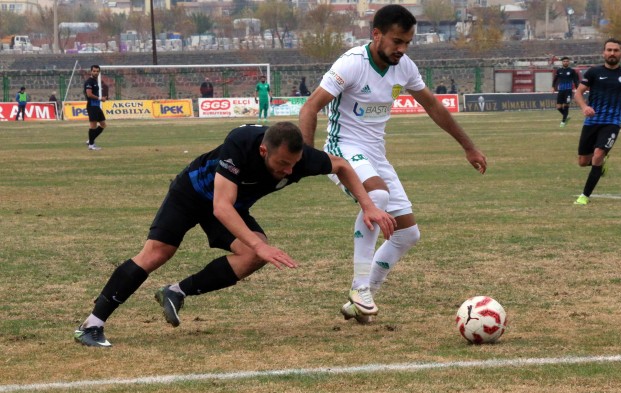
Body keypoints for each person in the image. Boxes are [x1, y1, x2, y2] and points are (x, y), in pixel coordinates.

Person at [73, 122, 396, 347]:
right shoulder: (239, 145)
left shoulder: (300, 160)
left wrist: (367, 204)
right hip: (193, 193)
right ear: (263, 150)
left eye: (293, 165)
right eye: (282, 163)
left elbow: (341, 166)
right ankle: (91, 325)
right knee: (158, 252)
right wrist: (259, 244)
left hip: (229, 204)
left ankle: (176, 292)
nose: (288, 171)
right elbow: (221, 207)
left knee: (253, 255)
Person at [298, 4, 487, 324]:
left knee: (407, 234)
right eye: (397, 41)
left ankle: (360, 301)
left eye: (407, 43)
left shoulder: (405, 67)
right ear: (376, 35)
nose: (402, 48)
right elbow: (310, 107)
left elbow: (433, 106)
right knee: (378, 197)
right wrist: (306, 157)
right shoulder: (352, 63)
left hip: (375, 156)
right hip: (342, 149)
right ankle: (359, 286)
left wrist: (468, 147)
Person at [573, 39, 621, 206]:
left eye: (616, 50)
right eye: (609, 50)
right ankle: (600, 166)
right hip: (592, 122)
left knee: (599, 154)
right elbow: (578, 93)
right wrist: (584, 107)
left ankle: (584, 196)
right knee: (583, 162)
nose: (612, 53)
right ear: (604, 52)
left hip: (613, 122)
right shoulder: (593, 72)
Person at [84, 65, 107, 151]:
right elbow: (89, 94)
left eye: (97, 71)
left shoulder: (95, 81)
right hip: (92, 106)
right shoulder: (89, 82)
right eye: (94, 71)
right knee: (93, 126)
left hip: (96, 106)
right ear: (91, 71)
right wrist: (100, 98)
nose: (96, 72)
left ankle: (90, 140)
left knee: (103, 125)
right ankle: (91, 145)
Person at [553, 56, 580, 127]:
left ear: (569, 62)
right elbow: (555, 79)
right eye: (564, 61)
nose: (565, 62)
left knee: (566, 106)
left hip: (568, 91)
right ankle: (566, 116)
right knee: (558, 107)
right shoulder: (559, 71)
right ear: (562, 62)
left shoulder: (572, 71)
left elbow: (575, 81)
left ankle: (563, 122)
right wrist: (553, 87)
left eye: (567, 61)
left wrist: (577, 89)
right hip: (561, 91)